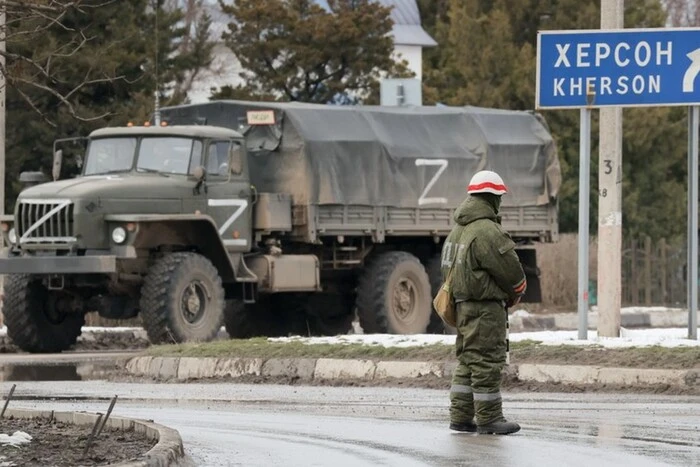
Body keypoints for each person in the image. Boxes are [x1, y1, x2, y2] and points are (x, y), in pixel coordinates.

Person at [440, 169, 527, 435]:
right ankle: (490, 418)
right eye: (499, 197)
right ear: (492, 198)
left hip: (463, 306)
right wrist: (515, 292)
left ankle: (461, 417)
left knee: (468, 360)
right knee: (487, 360)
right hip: (485, 309)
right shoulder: (487, 231)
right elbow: (512, 273)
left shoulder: (457, 231)